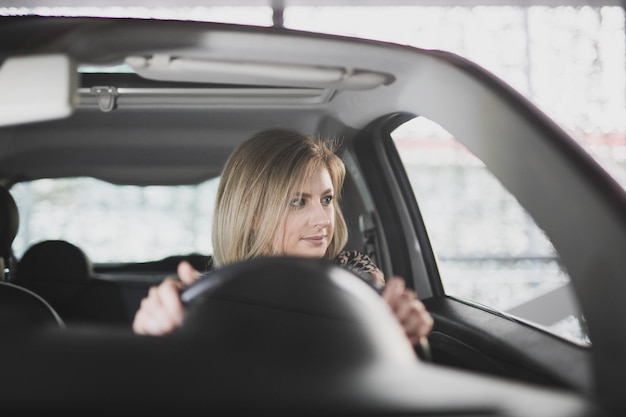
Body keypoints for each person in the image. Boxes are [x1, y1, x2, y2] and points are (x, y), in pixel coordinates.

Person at [133, 128, 433, 347]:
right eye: (298, 202)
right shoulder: (207, 296)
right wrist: (157, 329)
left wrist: (402, 328)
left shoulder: (355, 274)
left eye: (326, 200)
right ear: (252, 216)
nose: (322, 219)